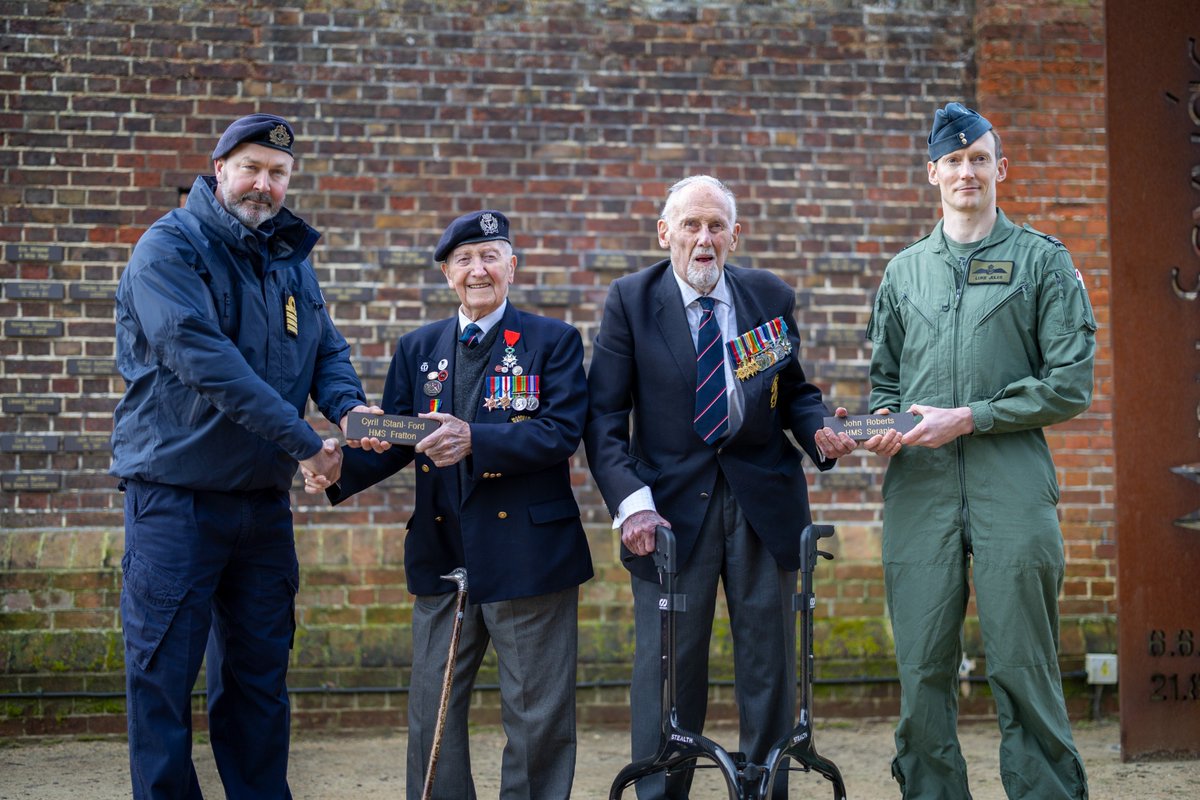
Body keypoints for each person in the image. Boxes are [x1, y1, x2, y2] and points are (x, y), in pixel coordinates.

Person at [110, 113, 379, 799]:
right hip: (176, 501)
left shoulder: (288, 256)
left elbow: (324, 347)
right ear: (220, 167)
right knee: (163, 680)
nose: (265, 183)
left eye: (279, 173)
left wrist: (349, 409)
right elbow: (209, 364)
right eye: (252, 167)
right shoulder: (168, 250)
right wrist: (305, 443)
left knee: (259, 682)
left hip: (260, 507)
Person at [583, 175, 857, 799]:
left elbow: (796, 395)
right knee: (669, 672)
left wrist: (819, 435)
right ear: (665, 234)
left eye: (715, 227)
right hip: (669, 514)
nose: (703, 240)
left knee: (769, 667)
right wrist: (633, 507)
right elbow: (603, 422)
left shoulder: (767, 296)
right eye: (690, 226)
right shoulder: (630, 300)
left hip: (763, 501)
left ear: (735, 235)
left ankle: (763, 789)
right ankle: (661, 792)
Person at [861, 102, 1095, 799]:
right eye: (953, 160)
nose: (967, 171)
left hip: (1013, 483)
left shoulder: (1043, 262)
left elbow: (1071, 384)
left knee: (1025, 663)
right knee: (923, 668)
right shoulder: (903, 273)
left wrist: (972, 416)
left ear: (1000, 168)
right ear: (933, 172)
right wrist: (879, 426)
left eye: (979, 158)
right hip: (920, 490)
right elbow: (885, 380)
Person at [320, 210, 593, 800]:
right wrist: (340, 466)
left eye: (491, 256)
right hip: (444, 551)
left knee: (536, 717)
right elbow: (393, 439)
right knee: (431, 711)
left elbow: (560, 432)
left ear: (512, 268)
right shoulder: (417, 348)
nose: (478, 270)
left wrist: (476, 438)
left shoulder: (553, 341)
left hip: (528, 554)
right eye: (464, 259)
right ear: (446, 273)